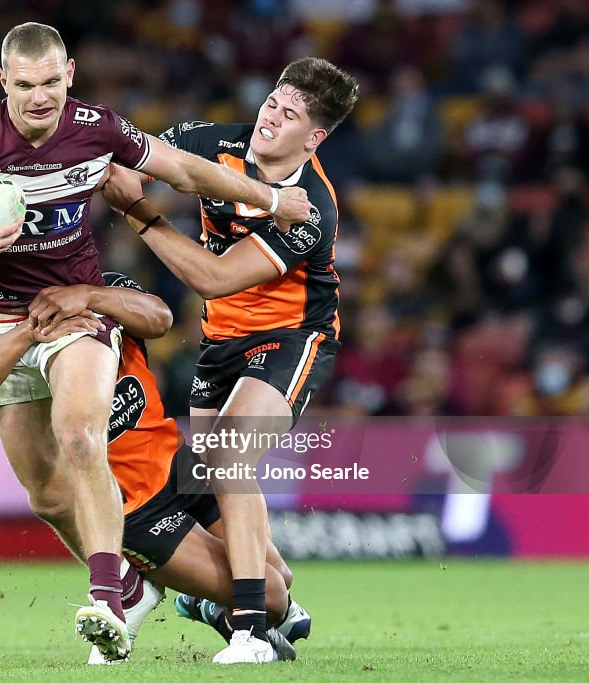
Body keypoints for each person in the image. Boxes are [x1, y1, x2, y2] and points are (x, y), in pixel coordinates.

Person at [0, 22, 312, 662]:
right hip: (3, 325)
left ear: (69, 74)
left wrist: (269, 198)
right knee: (44, 494)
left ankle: (105, 602)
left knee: (77, 434)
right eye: (25, 86)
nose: (40, 99)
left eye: (50, 83)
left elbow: (180, 170)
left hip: (76, 314)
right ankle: (134, 587)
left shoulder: (96, 129)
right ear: (3, 82)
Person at [102, 57, 358, 664]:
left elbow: (214, 278)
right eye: (272, 101)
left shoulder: (310, 208)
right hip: (221, 342)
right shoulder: (211, 142)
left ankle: (248, 629)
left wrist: (140, 215)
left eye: (290, 114)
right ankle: (272, 603)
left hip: (292, 336)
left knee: (231, 454)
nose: (270, 116)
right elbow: (129, 162)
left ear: (314, 137)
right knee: (220, 479)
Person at [0, 274, 311, 664]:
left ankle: (200, 601)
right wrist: (29, 332)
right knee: (271, 596)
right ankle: (161, 590)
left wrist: (90, 297)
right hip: (136, 509)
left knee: (282, 579)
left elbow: (160, 318)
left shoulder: (104, 287)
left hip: (180, 466)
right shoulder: (5, 324)